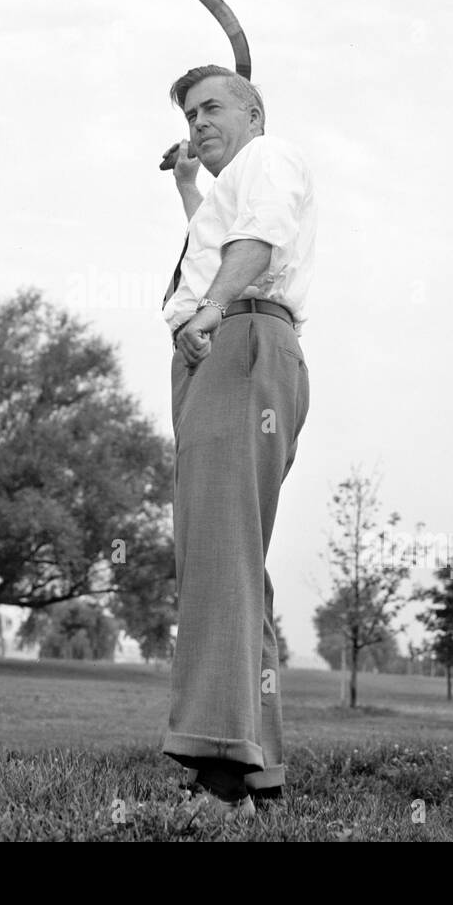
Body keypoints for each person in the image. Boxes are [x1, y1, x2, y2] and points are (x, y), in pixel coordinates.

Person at [159, 64, 315, 820]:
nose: (198, 121)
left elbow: (252, 243)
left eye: (212, 106)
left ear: (255, 111)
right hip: (213, 348)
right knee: (223, 561)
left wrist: (212, 312)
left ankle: (216, 776)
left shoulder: (271, 158)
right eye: (190, 115)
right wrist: (190, 188)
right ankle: (259, 774)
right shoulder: (231, 181)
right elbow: (216, 235)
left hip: (240, 337)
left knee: (221, 557)